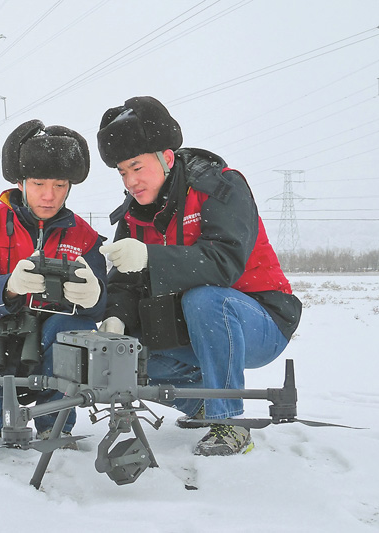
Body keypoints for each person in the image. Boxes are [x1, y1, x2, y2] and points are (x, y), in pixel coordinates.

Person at [96, 96, 302, 456]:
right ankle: (203, 406)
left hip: (262, 318)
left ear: (168, 158)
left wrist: (148, 255)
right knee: (131, 346)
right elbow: (125, 283)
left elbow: (224, 262)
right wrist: (115, 318)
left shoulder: (220, 187)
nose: (130, 181)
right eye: (122, 172)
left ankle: (230, 422)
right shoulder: (134, 216)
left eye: (137, 167)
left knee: (204, 299)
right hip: (196, 326)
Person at [0, 119, 107, 447]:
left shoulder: (86, 238)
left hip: (51, 339)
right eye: (38, 183)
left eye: (60, 185)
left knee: (76, 332)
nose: (49, 196)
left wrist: (96, 295)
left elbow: (104, 306)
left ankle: (54, 419)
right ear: (20, 182)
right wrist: (9, 287)